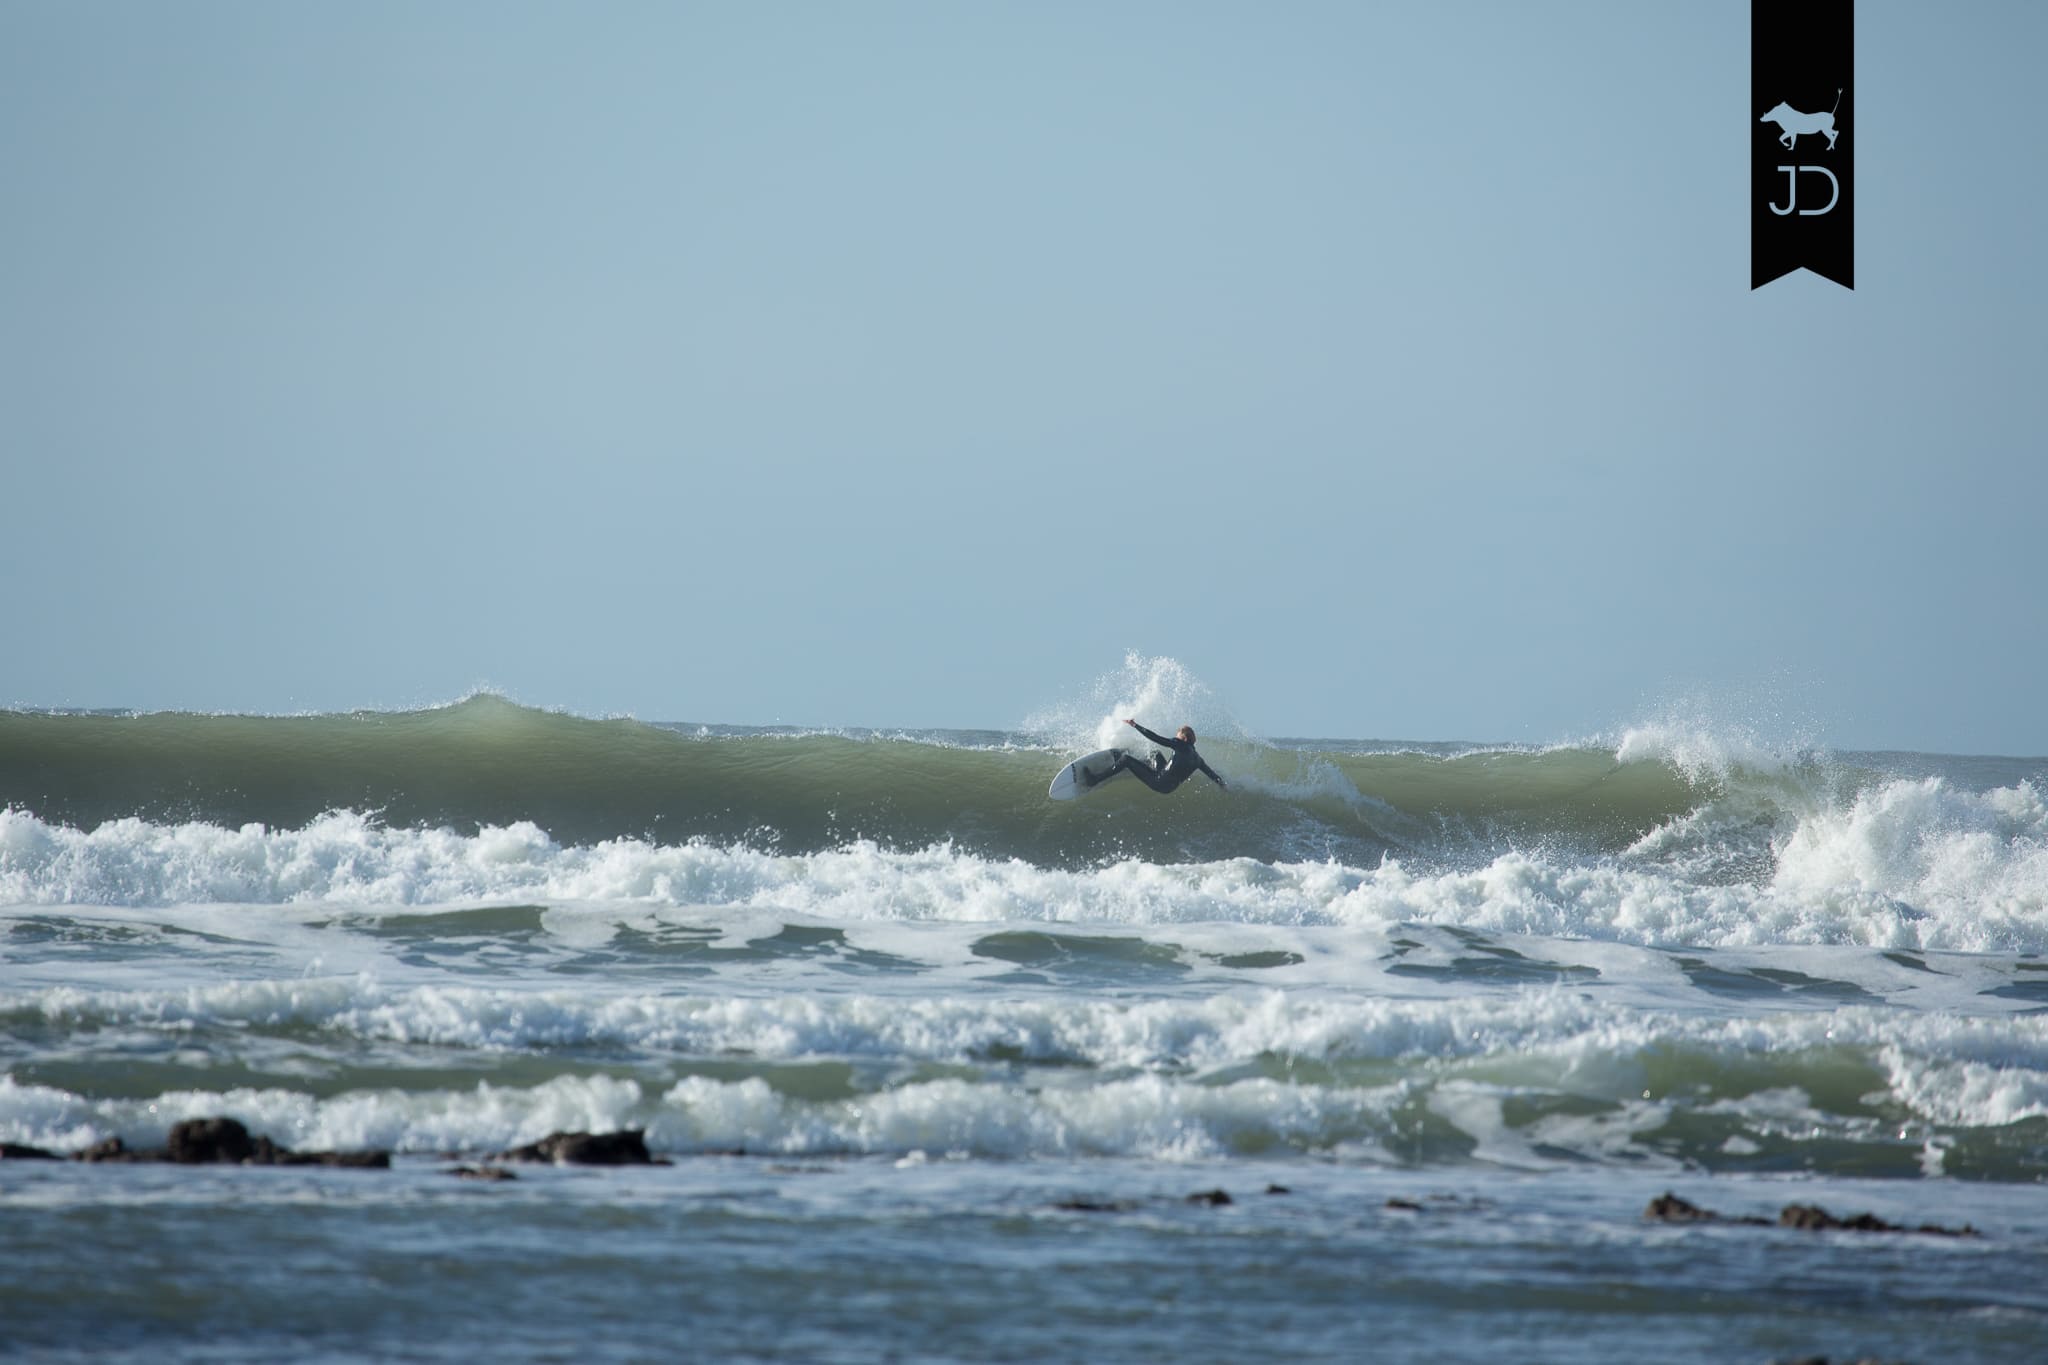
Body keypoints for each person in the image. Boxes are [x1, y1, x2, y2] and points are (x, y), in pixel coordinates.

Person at [1084, 718, 1227, 793]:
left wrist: (1135, 725)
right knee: (1155, 753)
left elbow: (1155, 737)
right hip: (1169, 788)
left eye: (1177, 736)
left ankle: (1094, 779)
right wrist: (1223, 786)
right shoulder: (1197, 759)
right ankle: (1132, 765)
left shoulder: (1179, 744)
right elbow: (1212, 775)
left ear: (1184, 738)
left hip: (1158, 781)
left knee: (1126, 759)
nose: (1175, 738)